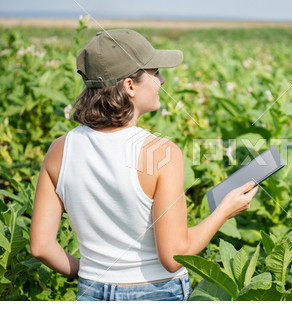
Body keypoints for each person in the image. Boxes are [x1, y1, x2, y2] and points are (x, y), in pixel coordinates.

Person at [30, 29, 259, 301]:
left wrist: (90, 274)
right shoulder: (162, 153)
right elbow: (174, 257)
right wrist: (223, 211)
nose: (162, 81)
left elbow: (41, 246)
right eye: (156, 72)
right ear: (130, 86)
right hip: (157, 293)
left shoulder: (59, 150)